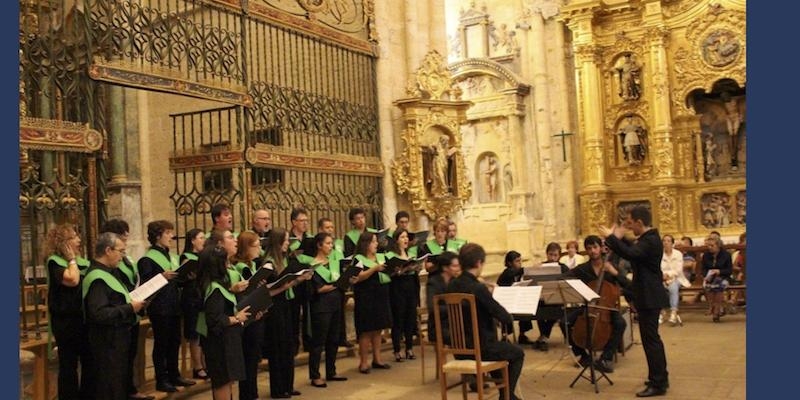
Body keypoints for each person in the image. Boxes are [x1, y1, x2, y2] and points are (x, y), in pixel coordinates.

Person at [601, 205, 669, 397]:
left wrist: (611, 237)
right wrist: (618, 237)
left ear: (640, 222)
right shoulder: (648, 239)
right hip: (647, 295)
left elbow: (631, 254)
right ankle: (659, 377)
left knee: (651, 341)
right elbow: (632, 248)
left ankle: (658, 383)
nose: (630, 228)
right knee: (651, 340)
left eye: (631, 224)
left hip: (650, 296)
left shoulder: (651, 240)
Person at [446, 243, 525, 400]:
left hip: (458, 350)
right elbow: (505, 318)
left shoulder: (452, 285)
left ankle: (507, 394)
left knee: (500, 351)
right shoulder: (478, 288)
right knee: (517, 353)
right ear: (478, 263)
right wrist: (493, 296)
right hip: (480, 349)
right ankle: (507, 396)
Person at [82, 232, 147, 400]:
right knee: (109, 388)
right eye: (121, 251)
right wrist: (129, 308)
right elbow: (99, 314)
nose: (122, 256)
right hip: (106, 343)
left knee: (117, 385)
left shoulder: (110, 272)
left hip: (117, 340)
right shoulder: (97, 278)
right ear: (108, 250)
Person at [100, 219, 155, 400]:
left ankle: (131, 388)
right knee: (118, 361)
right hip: (121, 312)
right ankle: (124, 391)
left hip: (131, 309)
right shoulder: (107, 267)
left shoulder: (125, 258)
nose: (127, 237)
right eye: (124, 233)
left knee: (130, 355)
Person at [137, 220, 196, 392]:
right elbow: (146, 286)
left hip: (173, 305)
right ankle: (161, 379)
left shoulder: (170, 256)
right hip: (159, 307)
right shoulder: (147, 260)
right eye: (168, 233)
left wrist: (186, 278)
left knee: (174, 341)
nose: (172, 236)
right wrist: (162, 277)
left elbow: (175, 282)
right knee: (162, 343)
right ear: (157, 236)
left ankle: (174, 375)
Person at [195, 229, 251, 400]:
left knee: (228, 381)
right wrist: (237, 318)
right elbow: (214, 320)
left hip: (226, 341)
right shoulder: (214, 290)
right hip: (219, 344)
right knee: (222, 382)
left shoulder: (216, 286)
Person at [565, 236, 629, 374]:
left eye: (595, 247)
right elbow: (565, 277)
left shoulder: (611, 266)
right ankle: (583, 355)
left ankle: (606, 357)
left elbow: (627, 284)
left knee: (620, 323)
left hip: (608, 307)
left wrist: (614, 272)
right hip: (588, 307)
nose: (593, 251)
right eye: (589, 248)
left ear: (601, 248)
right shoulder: (582, 269)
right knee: (564, 322)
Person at [45, 223, 94, 400]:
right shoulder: (55, 262)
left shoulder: (84, 262)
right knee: (68, 365)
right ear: (63, 242)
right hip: (66, 321)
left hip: (84, 318)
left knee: (89, 361)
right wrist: (72, 259)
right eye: (74, 237)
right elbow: (72, 280)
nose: (79, 240)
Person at [262, 228, 312, 399]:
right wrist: (286, 285)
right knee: (278, 347)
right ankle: (277, 388)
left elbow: (288, 283)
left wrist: (300, 278)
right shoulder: (269, 263)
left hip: (288, 304)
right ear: (277, 243)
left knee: (289, 345)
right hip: (275, 307)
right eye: (284, 241)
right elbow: (266, 291)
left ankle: (288, 386)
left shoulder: (285, 259)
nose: (287, 244)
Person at [307, 232, 352, 388]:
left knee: (333, 339)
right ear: (319, 245)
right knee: (319, 342)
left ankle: (331, 371)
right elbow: (318, 289)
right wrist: (336, 284)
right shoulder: (314, 265)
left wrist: (345, 280)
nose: (331, 246)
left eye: (331, 243)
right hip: (321, 307)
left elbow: (340, 281)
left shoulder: (334, 263)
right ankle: (315, 375)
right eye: (327, 243)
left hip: (335, 303)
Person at [232, 231, 268, 400]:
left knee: (253, 360)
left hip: (255, 315)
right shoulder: (241, 267)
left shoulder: (252, 265)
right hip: (247, 318)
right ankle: (247, 395)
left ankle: (252, 394)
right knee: (248, 359)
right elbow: (243, 296)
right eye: (256, 246)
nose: (259, 249)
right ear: (246, 247)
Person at [352, 231, 393, 373]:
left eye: (376, 241)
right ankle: (363, 362)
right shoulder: (359, 258)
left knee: (378, 329)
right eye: (374, 241)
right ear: (366, 244)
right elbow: (358, 276)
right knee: (366, 330)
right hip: (366, 296)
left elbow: (387, 272)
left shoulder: (380, 256)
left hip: (380, 294)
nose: (376, 244)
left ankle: (377, 359)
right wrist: (375, 268)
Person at [385, 228, 420, 362]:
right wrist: (399, 271)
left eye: (406, 237)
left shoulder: (410, 254)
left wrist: (415, 267)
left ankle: (409, 348)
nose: (405, 239)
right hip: (397, 288)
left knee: (410, 318)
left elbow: (414, 271)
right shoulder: (390, 256)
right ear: (396, 240)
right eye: (402, 237)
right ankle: (397, 350)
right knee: (398, 319)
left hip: (410, 286)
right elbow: (389, 273)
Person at [179, 228, 208, 382]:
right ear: (192, 240)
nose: (204, 240)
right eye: (201, 237)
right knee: (194, 334)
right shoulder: (187, 257)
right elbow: (182, 277)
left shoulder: (202, 256)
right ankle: (197, 367)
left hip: (201, 297)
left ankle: (204, 363)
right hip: (191, 298)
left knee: (203, 331)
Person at [534, 243, 570, 351]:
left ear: (559, 256)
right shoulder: (541, 266)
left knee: (555, 311)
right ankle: (543, 337)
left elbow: (569, 281)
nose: (553, 258)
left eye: (555, 255)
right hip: (542, 297)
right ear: (546, 254)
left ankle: (543, 337)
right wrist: (535, 270)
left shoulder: (563, 268)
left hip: (557, 298)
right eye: (550, 255)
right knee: (538, 310)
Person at [496, 251, 533, 344]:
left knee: (526, 305)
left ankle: (522, 334)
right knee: (506, 310)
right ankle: (505, 335)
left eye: (520, 261)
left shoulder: (518, 272)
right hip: (505, 299)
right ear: (509, 263)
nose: (520, 263)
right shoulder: (507, 272)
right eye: (517, 261)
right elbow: (514, 273)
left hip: (516, 298)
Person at [702, 236, 733, 322]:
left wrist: (719, 271)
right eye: (708, 246)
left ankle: (716, 310)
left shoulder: (726, 255)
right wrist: (706, 275)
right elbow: (703, 269)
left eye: (712, 246)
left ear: (718, 245)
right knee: (709, 285)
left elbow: (729, 270)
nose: (709, 248)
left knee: (719, 286)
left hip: (724, 277)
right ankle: (716, 307)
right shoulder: (706, 255)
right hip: (710, 278)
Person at [661, 235, 689, 326]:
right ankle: (661, 311)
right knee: (656, 287)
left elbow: (678, 270)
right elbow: (658, 268)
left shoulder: (678, 254)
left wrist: (668, 275)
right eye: (664, 241)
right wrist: (663, 276)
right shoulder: (659, 255)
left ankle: (673, 312)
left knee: (673, 287)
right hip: (662, 278)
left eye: (668, 241)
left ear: (672, 243)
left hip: (677, 278)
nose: (666, 243)